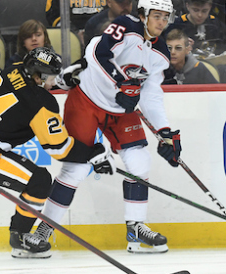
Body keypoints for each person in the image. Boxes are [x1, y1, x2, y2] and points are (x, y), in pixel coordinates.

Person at [0, 47, 115, 258]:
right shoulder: (42, 103)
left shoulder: (14, 69)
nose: (52, 81)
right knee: (38, 181)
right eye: (50, 77)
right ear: (38, 76)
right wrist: (91, 152)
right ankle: (20, 240)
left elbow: (28, 89)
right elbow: (58, 148)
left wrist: (57, 81)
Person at [33, 0, 182, 255]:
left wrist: (164, 132)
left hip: (120, 111)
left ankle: (136, 229)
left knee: (140, 162)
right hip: (87, 101)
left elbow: (151, 94)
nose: (161, 22)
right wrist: (121, 84)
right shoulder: (124, 26)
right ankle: (44, 228)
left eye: (165, 17)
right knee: (76, 168)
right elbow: (97, 54)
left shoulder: (161, 54)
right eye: (156, 16)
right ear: (143, 15)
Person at [165, 0, 226, 83]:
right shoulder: (177, 25)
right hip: (187, 70)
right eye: (195, 10)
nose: (200, 15)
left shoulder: (216, 24)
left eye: (204, 11)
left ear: (210, 7)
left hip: (215, 68)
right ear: (187, 6)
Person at [5, 19, 56, 90]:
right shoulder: (13, 63)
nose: (34, 39)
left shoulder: (56, 61)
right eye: (29, 36)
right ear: (23, 42)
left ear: (45, 38)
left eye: (38, 35)